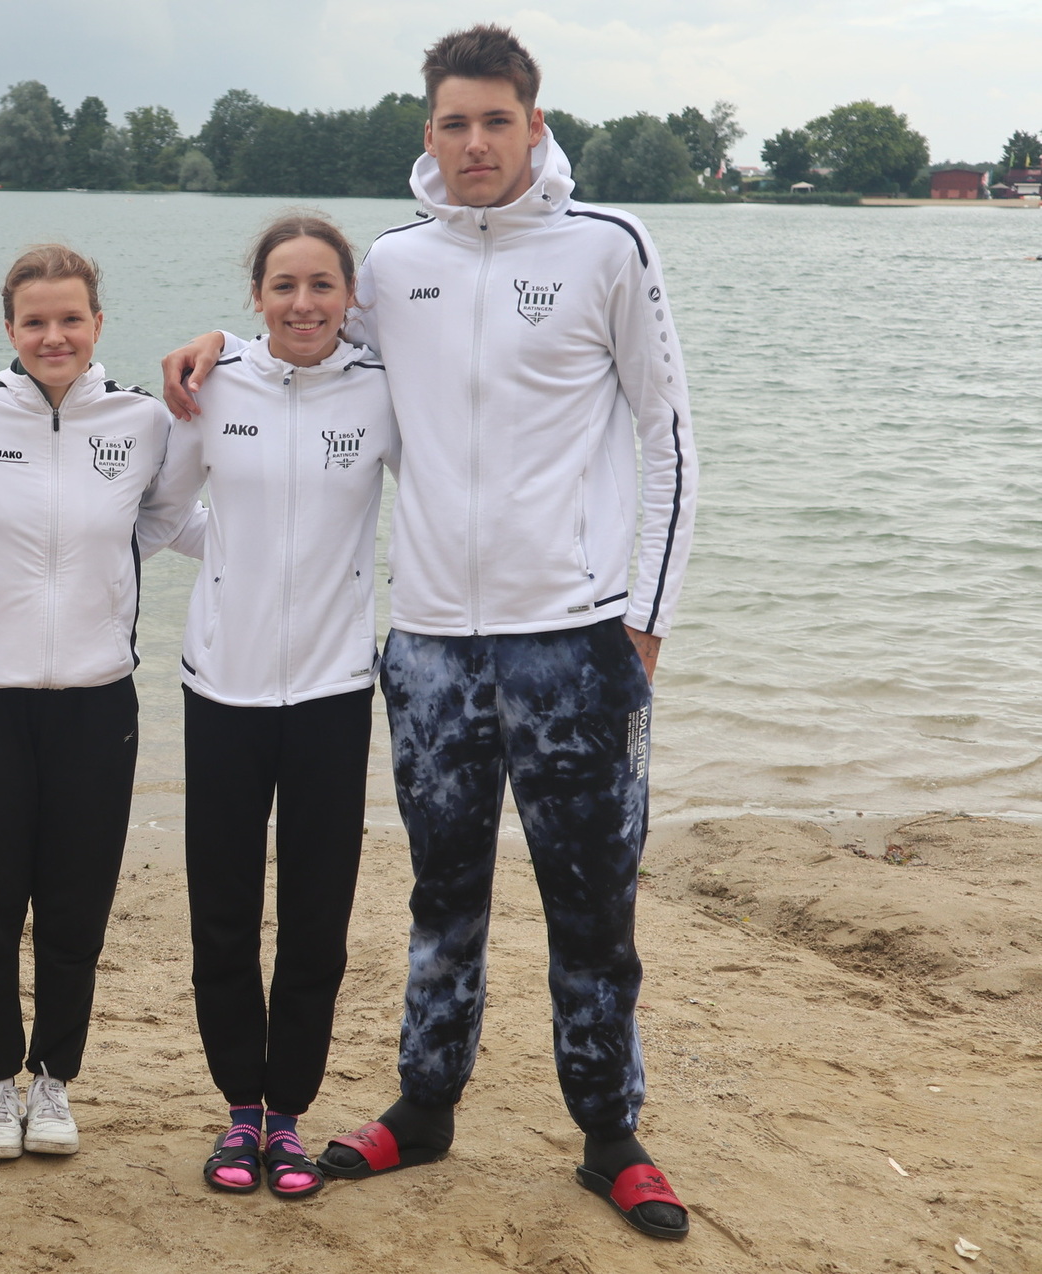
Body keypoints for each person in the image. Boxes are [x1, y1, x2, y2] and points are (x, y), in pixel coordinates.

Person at [162, 24, 698, 1240]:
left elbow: (670, 438)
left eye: (495, 122)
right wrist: (214, 347)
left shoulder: (608, 247)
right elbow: (301, 349)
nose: (474, 144)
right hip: (427, 649)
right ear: (429, 134)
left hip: (572, 637)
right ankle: (427, 1098)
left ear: (534, 125)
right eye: (453, 124)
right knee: (440, 892)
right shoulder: (394, 264)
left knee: (592, 900)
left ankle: (609, 1131)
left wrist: (645, 622)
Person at [0, 245, 201, 1161]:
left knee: (76, 908)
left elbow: (158, 518)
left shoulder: (141, 420)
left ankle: (54, 1082)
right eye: (35, 321)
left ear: (96, 324)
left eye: (70, 319)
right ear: (9, 328)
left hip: (95, 702)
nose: (54, 336)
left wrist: (101, 583)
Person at [172, 213, 398, 1199]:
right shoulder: (213, 385)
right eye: (284, 286)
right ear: (255, 296)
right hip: (220, 683)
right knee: (222, 912)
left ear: (350, 296)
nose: (303, 304)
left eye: (321, 285)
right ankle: (238, 1110)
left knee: (316, 916)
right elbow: (163, 507)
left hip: (333, 687)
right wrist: (230, 556)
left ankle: (290, 1116)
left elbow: (438, 497)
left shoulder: (384, 393)